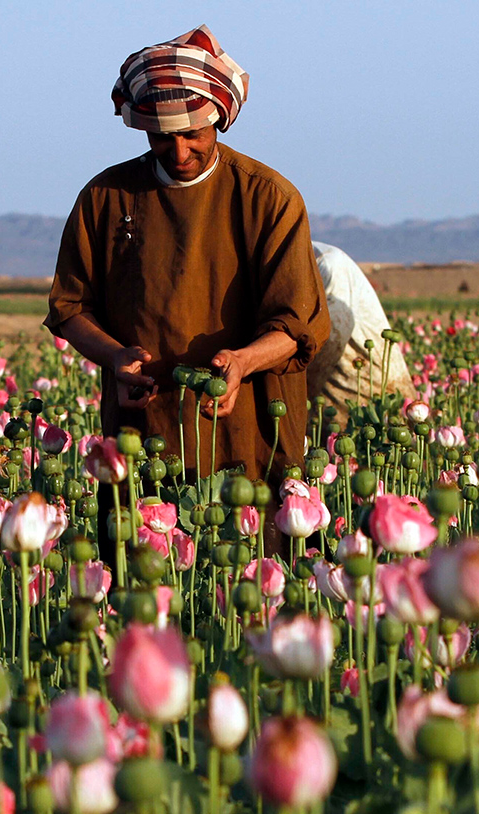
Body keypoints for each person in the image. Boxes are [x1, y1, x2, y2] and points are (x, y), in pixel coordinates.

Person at [47, 25, 329, 485]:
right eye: (161, 136)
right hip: (142, 428)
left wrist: (241, 363)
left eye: (192, 134)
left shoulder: (268, 197)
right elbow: (71, 307)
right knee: (137, 547)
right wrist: (116, 357)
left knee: (253, 549)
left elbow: (300, 326)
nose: (178, 151)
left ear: (218, 117)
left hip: (249, 427)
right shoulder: (106, 197)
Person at [309, 242, 413, 422]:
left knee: (385, 434)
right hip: (328, 389)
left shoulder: (329, 264)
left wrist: (295, 388)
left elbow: (332, 337)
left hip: (368, 380)